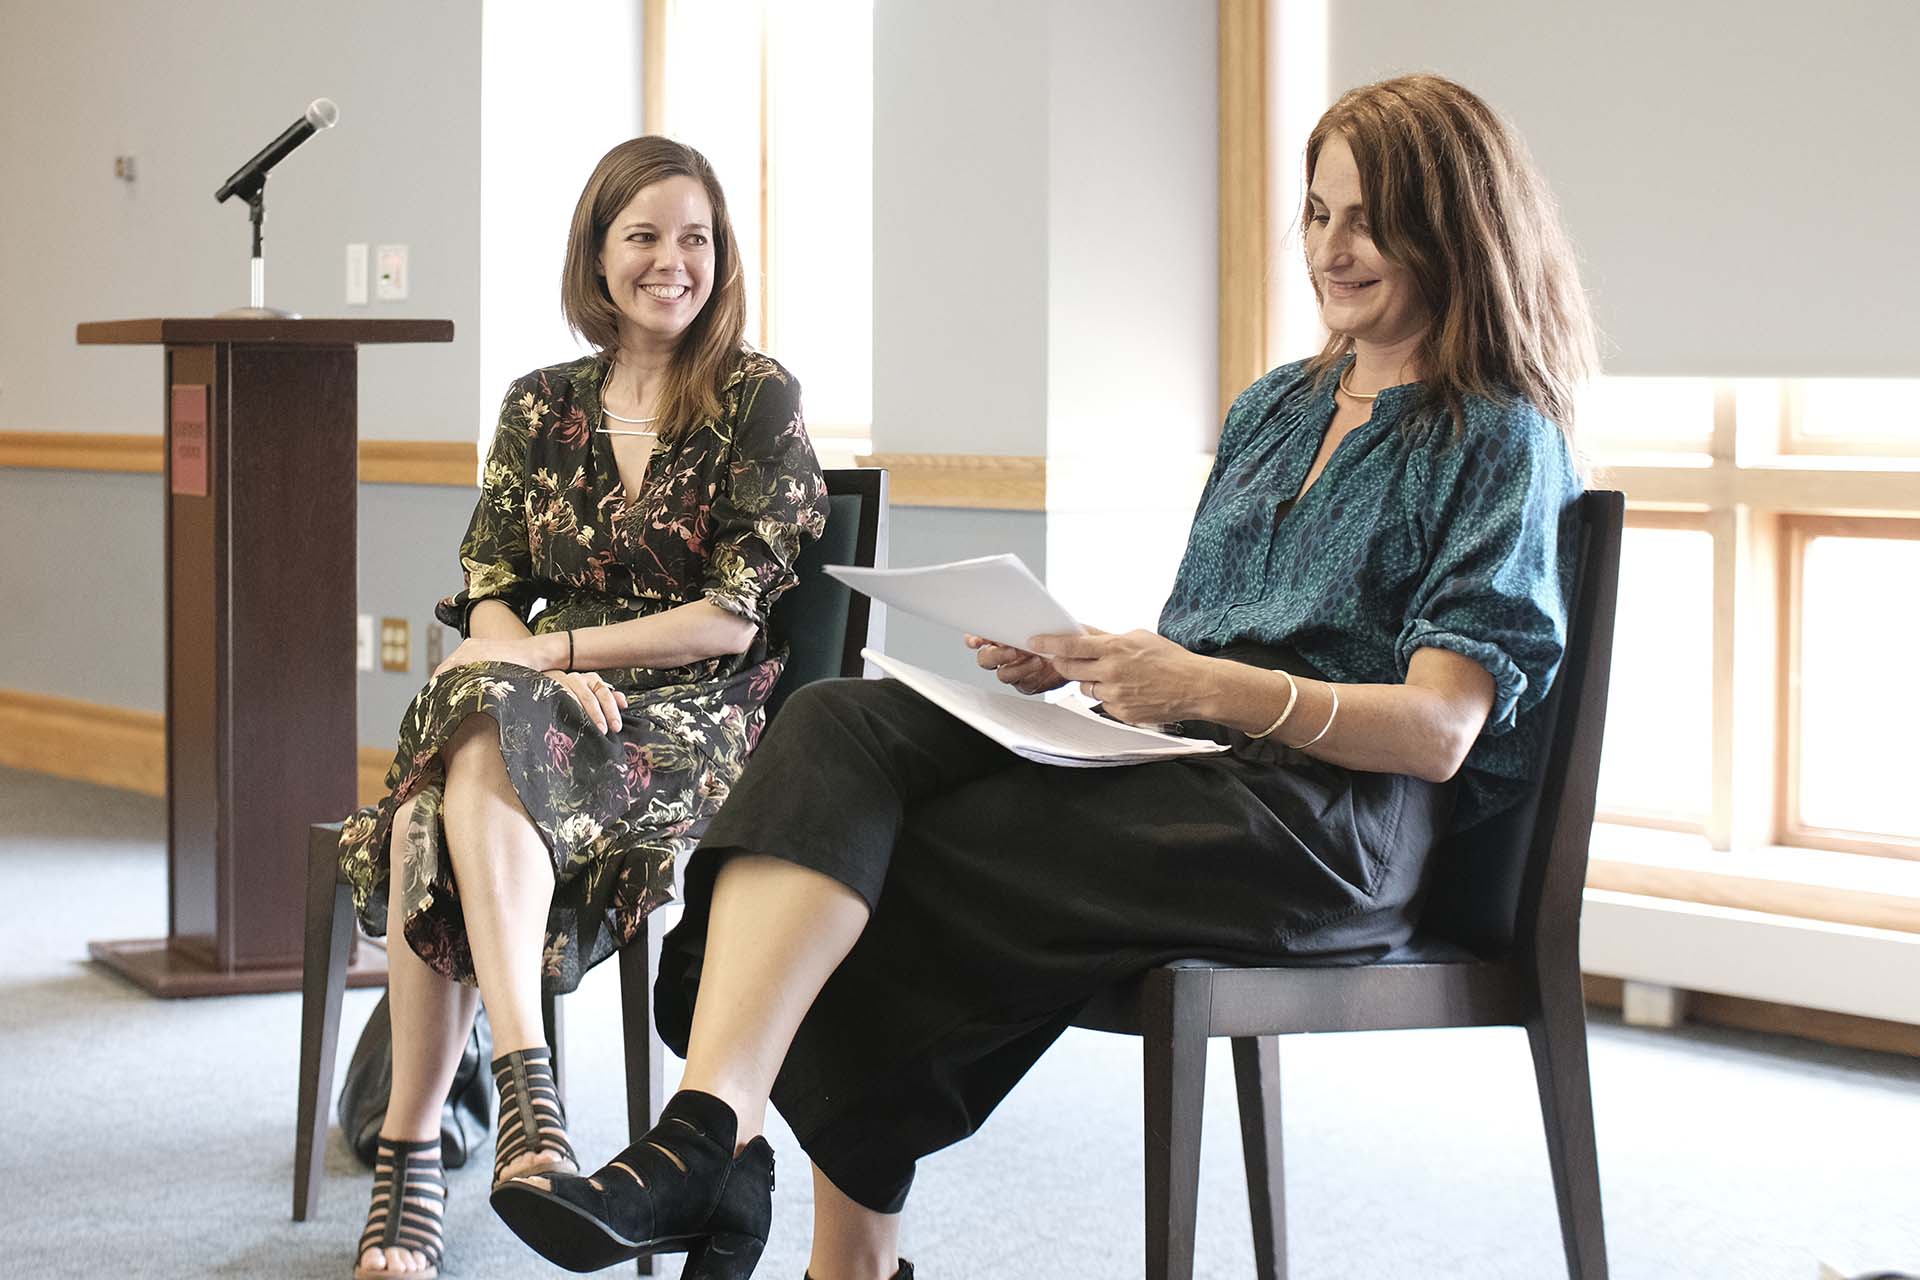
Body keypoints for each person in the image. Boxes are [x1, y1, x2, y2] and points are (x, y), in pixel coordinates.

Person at [491, 73, 1599, 1280]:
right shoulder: (1276, 407)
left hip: (1332, 823)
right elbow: (1207, 645)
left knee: (886, 858)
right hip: (1191, 767)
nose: (1333, 249)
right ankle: (713, 1136)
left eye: (1369, 221)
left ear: (1454, 225)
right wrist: (1082, 660)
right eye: (1319, 214)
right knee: (838, 729)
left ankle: (805, 1227)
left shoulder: (1499, 434)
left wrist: (1199, 687)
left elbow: (1439, 728)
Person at [334, 136, 827, 1280]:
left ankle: (422, 1149)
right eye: (643, 235)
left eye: (695, 237)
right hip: (546, 697)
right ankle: (514, 1098)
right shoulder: (538, 402)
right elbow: (490, 583)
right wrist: (537, 674)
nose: (672, 261)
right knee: (454, 775)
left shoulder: (757, 395)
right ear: (597, 255)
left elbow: (731, 619)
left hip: (695, 711)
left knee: (454, 766)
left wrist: (548, 656)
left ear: (722, 254)